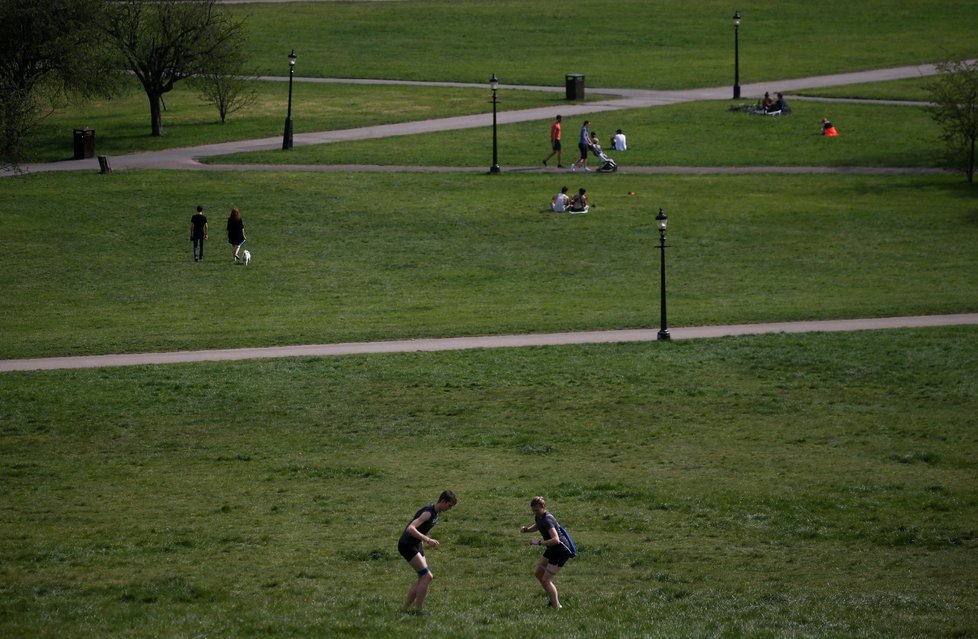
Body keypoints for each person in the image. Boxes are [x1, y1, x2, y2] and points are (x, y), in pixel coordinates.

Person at [398, 490, 458, 614]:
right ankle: (418, 610)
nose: (449, 508)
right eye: (449, 505)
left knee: (422, 577)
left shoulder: (436, 512)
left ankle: (406, 610)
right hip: (407, 545)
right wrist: (428, 540)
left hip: (416, 544)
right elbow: (410, 528)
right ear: (442, 501)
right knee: (427, 576)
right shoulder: (428, 513)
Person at [520, 496, 574, 610]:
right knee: (539, 574)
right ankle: (553, 597)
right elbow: (538, 525)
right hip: (552, 548)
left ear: (543, 507)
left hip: (560, 550)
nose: (535, 512)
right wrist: (527, 530)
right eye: (533, 510)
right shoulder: (539, 517)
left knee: (546, 580)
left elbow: (556, 539)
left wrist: (538, 543)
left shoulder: (547, 519)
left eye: (537, 510)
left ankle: (556, 607)